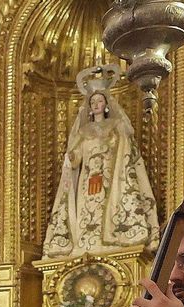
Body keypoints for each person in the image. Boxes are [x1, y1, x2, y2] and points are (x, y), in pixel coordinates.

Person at [43, 68, 159, 259]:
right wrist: (71, 158)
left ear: (106, 104)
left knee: (109, 207)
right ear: (89, 107)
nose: (96, 105)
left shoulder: (116, 127)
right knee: (86, 210)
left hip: (110, 177)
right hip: (87, 181)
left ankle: (109, 239)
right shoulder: (83, 132)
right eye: (93, 102)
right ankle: (86, 243)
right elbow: (78, 155)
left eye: (99, 101)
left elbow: (123, 150)